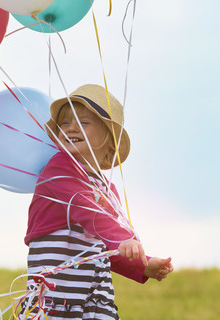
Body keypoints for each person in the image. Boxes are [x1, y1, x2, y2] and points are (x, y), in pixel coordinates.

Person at [21, 84, 174, 320]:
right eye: (65, 123)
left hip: (92, 299)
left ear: (109, 138)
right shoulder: (59, 169)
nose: (71, 127)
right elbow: (88, 210)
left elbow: (107, 246)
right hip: (57, 299)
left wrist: (143, 264)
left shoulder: (106, 189)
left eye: (83, 122)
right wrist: (124, 237)